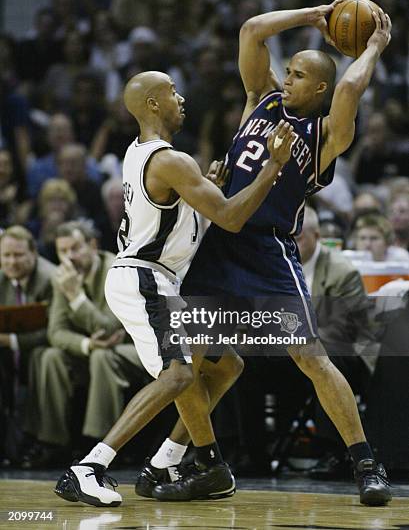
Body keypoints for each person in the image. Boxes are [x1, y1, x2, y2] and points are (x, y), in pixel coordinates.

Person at [153, 1, 392, 506]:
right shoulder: (259, 100)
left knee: (310, 357)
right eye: (288, 70)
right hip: (216, 244)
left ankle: (366, 463)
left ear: (319, 90)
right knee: (190, 365)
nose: (287, 79)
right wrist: (315, 15)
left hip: (268, 253)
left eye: (300, 74)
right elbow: (251, 29)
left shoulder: (326, 135)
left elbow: (350, 87)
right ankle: (202, 462)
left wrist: (372, 46)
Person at [54, 71, 295, 507]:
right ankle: (88, 468)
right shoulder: (170, 160)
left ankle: (166, 459)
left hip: (154, 276)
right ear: (151, 104)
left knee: (227, 366)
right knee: (180, 374)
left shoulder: (140, 153)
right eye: (171, 92)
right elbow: (232, 218)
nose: (181, 98)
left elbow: (181, 223)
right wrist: (274, 166)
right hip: (145, 278)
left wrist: (207, 191)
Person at [25, 221, 144, 468]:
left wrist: (76, 298)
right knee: (49, 356)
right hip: (94, 350)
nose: (69, 257)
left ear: (92, 245)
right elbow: (56, 332)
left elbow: (110, 327)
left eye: (75, 248)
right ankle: (54, 443)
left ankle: (101, 445)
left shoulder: (117, 270)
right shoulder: (65, 276)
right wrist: (87, 344)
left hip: (135, 348)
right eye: (62, 251)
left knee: (103, 358)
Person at [296, 207, 377, 478]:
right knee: (233, 356)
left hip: (348, 353)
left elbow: (341, 330)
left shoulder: (342, 271)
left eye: (299, 237)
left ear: (317, 236)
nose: (292, 243)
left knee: (326, 355)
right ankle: (244, 447)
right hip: (292, 352)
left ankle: (333, 451)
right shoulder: (277, 266)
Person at [0, 226, 56, 466]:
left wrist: (11, 341)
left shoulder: (51, 279)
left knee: (44, 358)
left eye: (19, 255)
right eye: (6, 255)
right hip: (8, 357)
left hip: (42, 352)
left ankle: (43, 442)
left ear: (34, 253)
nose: (12, 262)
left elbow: (55, 330)